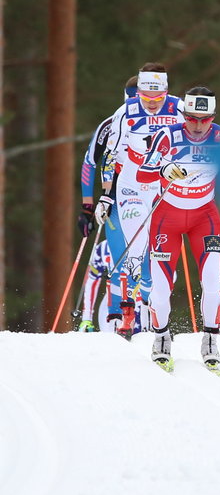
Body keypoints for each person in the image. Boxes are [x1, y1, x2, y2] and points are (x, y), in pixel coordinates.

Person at [137, 86, 220, 375]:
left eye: (204, 119)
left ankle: (210, 342)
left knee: (212, 283)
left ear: (213, 117)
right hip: (166, 217)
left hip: (203, 217)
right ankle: (161, 339)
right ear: (183, 115)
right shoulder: (167, 135)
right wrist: (163, 170)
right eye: (191, 118)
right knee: (160, 289)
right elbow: (142, 172)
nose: (197, 125)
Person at [95, 63, 184, 339]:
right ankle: (128, 315)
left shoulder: (180, 108)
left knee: (157, 252)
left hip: (164, 184)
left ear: (167, 92)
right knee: (134, 249)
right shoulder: (124, 113)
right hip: (132, 183)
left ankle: (153, 304)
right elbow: (109, 157)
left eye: (158, 98)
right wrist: (105, 195)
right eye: (146, 97)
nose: (153, 104)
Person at [76, 76, 138, 331]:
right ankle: (115, 319)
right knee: (119, 259)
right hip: (113, 200)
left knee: (148, 261)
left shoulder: (162, 124)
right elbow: (90, 163)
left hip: (150, 199)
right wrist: (87, 208)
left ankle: (148, 319)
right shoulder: (111, 124)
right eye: (133, 100)